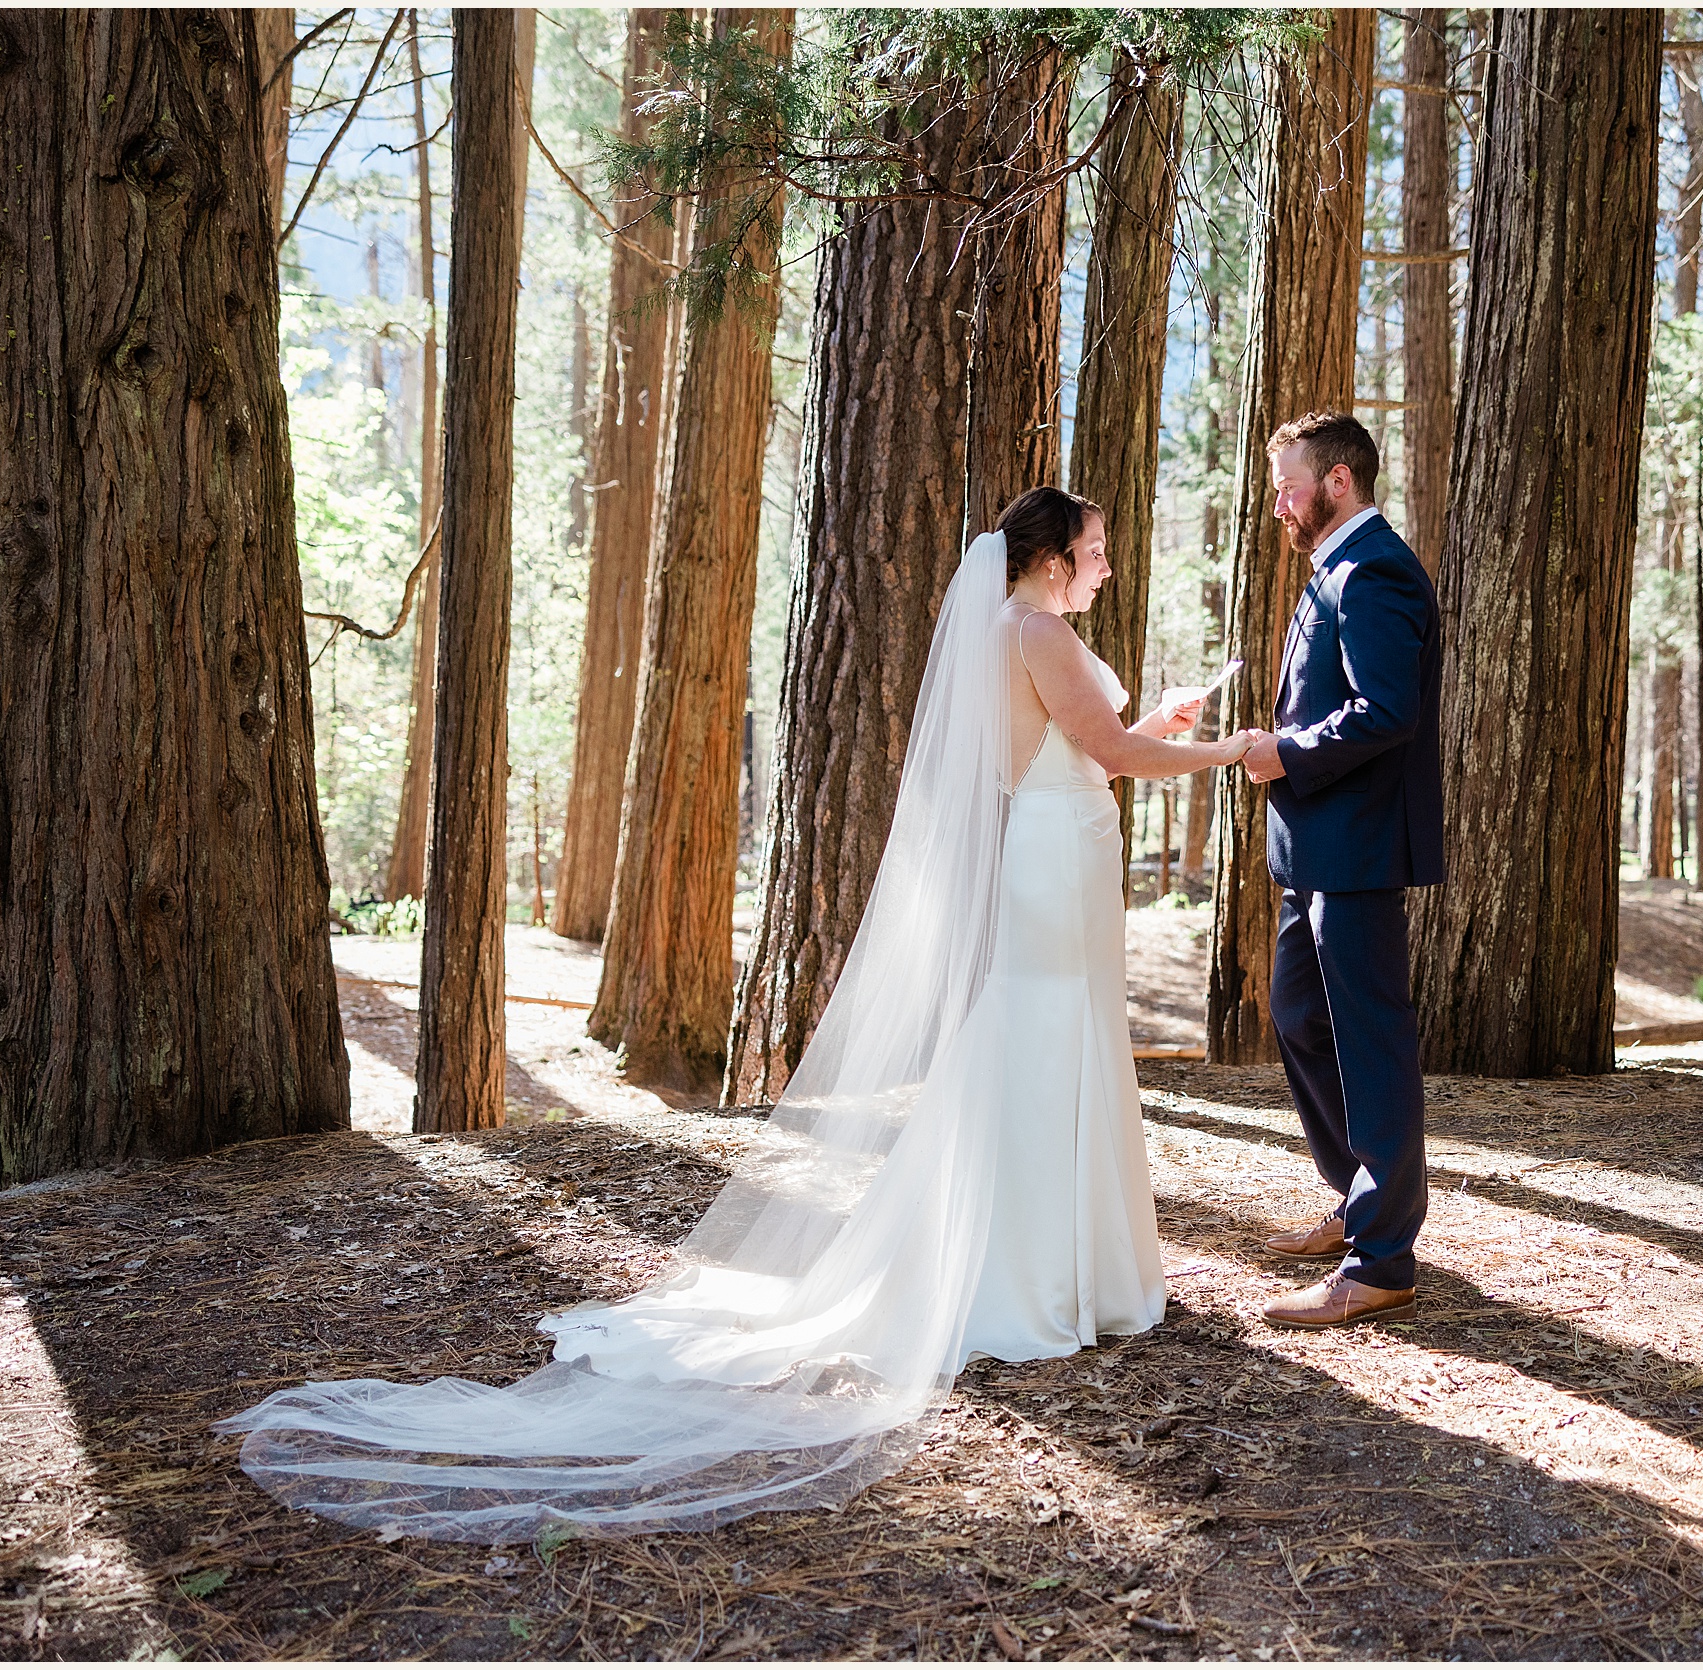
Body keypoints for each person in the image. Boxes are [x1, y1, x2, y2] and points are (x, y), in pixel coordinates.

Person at [216, 488, 1260, 1543]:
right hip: (1057, 849)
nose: (1106, 565)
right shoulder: (1036, 628)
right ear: (1046, 558)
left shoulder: (1008, 630)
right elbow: (1111, 758)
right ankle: (1042, 1272)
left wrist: (1151, 725)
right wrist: (1228, 751)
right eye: (1094, 548)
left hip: (1053, 840)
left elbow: (1081, 743)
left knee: (1042, 1040)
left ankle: (1037, 1257)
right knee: (1048, 1042)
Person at [1237, 413, 1446, 1330]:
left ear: (1340, 482)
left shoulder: (1378, 572)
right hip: (1314, 849)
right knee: (1297, 1016)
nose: (1277, 501)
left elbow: (1385, 711)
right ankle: (1355, 1194)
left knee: (1370, 1045)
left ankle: (1384, 1259)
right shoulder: (1334, 569)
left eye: (1289, 483)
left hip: (1357, 850)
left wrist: (1286, 749)